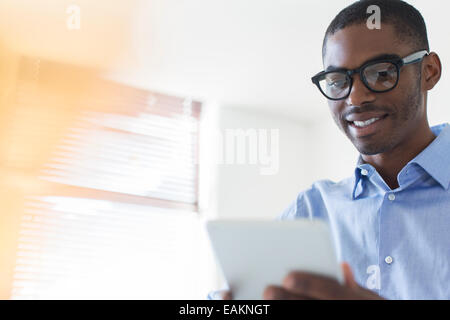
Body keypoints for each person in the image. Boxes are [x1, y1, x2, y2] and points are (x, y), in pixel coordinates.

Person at [213, 0, 449, 300]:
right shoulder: (311, 210)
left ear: (429, 71)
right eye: (338, 81)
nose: (356, 98)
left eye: (381, 73)